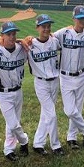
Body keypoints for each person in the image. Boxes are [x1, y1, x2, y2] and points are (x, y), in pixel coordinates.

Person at [53, 5, 84, 149]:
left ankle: (71, 137)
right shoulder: (63, 33)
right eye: (80, 18)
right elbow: (48, 39)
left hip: (81, 75)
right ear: (74, 18)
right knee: (69, 110)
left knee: (77, 109)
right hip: (66, 76)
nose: (83, 20)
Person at [0, 21, 29, 162]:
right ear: (2, 36)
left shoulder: (21, 49)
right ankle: (24, 141)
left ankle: (8, 149)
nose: (12, 37)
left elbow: (35, 42)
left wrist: (22, 40)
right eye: (8, 34)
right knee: (13, 124)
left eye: (14, 34)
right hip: (3, 93)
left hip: (18, 91)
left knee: (12, 122)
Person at [27, 14, 64, 156]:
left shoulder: (55, 41)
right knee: (52, 115)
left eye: (48, 26)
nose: (46, 29)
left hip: (55, 81)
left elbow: (69, 30)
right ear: (37, 28)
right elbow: (8, 43)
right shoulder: (29, 45)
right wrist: (22, 39)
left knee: (46, 115)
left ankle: (38, 143)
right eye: (43, 26)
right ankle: (56, 145)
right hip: (41, 83)